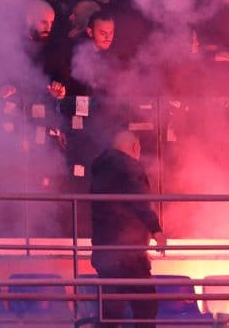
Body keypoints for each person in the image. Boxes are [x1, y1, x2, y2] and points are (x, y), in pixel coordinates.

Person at [90, 130, 166, 328]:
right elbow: (139, 200)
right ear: (136, 148)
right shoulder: (129, 167)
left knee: (111, 313)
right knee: (146, 307)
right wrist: (156, 230)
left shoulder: (100, 170)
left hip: (105, 252)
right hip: (129, 255)